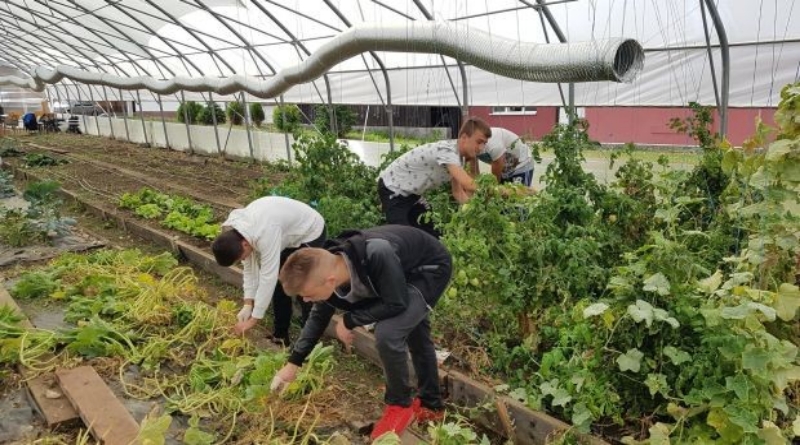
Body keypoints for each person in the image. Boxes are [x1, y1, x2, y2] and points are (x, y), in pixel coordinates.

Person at [272, 225, 452, 440]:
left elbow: (396, 303)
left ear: (329, 281)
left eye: (308, 295)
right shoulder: (332, 272)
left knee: (388, 332)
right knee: (414, 332)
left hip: (427, 269)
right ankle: (432, 404)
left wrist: (349, 320)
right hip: (396, 275)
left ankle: (399, 404)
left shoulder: (375, 254)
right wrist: (293, 363)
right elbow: (317, 318)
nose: (306, 300)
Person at [211, 196, 325, 345]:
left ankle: (308, 344)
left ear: (245, 245)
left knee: (304, 288)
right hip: (284, 233)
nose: (243, 261)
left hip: (309, 231)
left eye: (240, 258)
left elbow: (268, 277)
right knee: (281, 283)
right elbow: (250, 269)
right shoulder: (238, 233)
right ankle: (280, 335)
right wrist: (248, 304)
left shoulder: (264, 234)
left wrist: (253, 320)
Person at [377, 117, 491, 236]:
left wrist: (476, 211)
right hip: (392, 188)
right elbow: (467, 184)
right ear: (464, 138)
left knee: (433, 234)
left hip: (412, 195)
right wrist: (498, 191)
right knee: (403, 236)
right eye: (479, 142)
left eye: (484, 143)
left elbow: (458, 193)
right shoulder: (447, 151)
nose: (481, 148)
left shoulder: (457, 159)